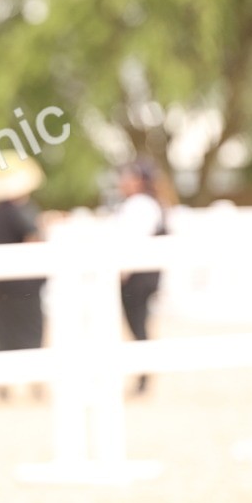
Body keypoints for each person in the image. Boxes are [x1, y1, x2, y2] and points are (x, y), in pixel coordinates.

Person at [0, 151, 46, 399]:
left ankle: (4, 385)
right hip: (24, 283)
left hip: (0, 284)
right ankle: (35, 381)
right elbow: (33, 238)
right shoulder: (19, 209)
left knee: (3, 331)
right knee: (30, 329)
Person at [114, 158, 168, 394]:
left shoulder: (140, 205)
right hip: (142, 275)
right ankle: (143, 377)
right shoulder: (147, 204)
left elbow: (133, 241)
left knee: (138, 326)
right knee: (139, 325)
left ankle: (144, 378)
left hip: (137, 276)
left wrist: (122, 271)